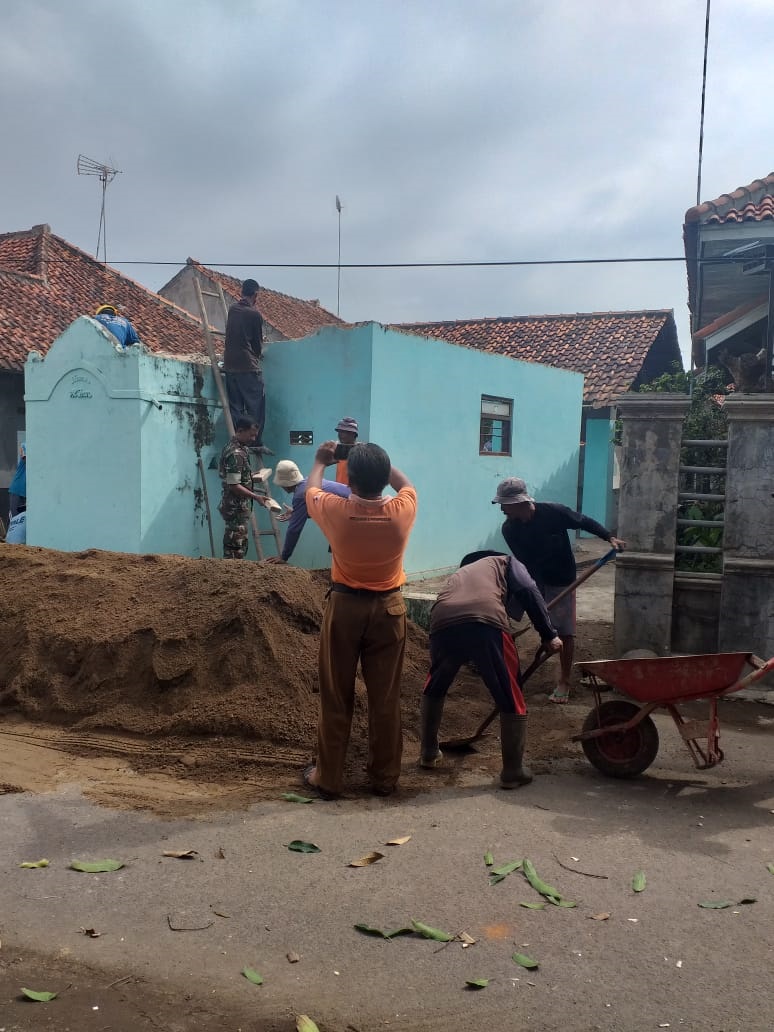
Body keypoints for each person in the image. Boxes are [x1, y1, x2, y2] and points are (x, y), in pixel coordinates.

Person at [302, 441, 417, 799]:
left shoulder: (336, 510)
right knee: (386, 697)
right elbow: (404, 484)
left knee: (336, 694)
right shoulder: (402, 510)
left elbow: (311, 489)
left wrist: (322, 460)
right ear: (383, 477)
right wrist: (372, 456)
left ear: (348, 479)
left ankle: (329, 778)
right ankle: (384, 778)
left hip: (346, 607)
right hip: (389, 609)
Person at [420, 551, 562, 788]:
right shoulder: (508, 561)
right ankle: (513, 771)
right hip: (485, 620)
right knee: (510, 692)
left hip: (442, 619)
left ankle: (428, 752)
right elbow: (529, 591)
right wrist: (549, 635)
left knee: (436, 682)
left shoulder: (463, 572)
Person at [494, 477, 625, 703]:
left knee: (563, 631)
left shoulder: (553, 512)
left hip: (561, 578)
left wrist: (609, 537)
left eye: (505, 505)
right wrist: (534, 598)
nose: (502, 510)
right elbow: (525, 561)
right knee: (501, 617)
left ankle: (564, 680)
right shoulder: (509, 529)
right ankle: (499, 665)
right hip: (530, 579)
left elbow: (583, 522)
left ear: (519, 502)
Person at [263, 459, 350, 565]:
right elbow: (319, 505)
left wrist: (284, 556)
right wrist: (296, 513)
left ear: (284, 484)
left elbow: (294, 530)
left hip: (351, 517)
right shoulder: (309, 482)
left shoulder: (300, 494)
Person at [217, 417, 274, 559]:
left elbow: (235, 476)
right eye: (251, 434)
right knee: (235, 551)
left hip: (238, 508)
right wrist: (256, 497)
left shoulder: (239, 448)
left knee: (239, 546)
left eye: (256, 435)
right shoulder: (236, 453)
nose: (254, 439)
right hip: (236, 509)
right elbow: (234, 484)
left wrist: (250, 475)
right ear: (240, 431)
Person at [223, 278, 267, 450]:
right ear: (255, 294)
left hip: (229, 365)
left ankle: (239, 439)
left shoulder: (232, 309)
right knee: (256, 405)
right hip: (247, 367)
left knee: (236, 407)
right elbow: (256, 345)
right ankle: (255, 441)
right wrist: (257, 355)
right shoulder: (255, 314)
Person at [333, 416, 359, 485]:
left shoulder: (361, 452)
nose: (342, 435)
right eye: (340, 432)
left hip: (353, 492)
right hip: (339, 491)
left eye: (346, 432)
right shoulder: (339, 449)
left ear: (354, 434)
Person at [8, 442, 26, 517]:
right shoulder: (25, 446)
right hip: (17, 490)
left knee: (23, 519)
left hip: (25, 493)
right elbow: (23, 447)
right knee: (16, 519)